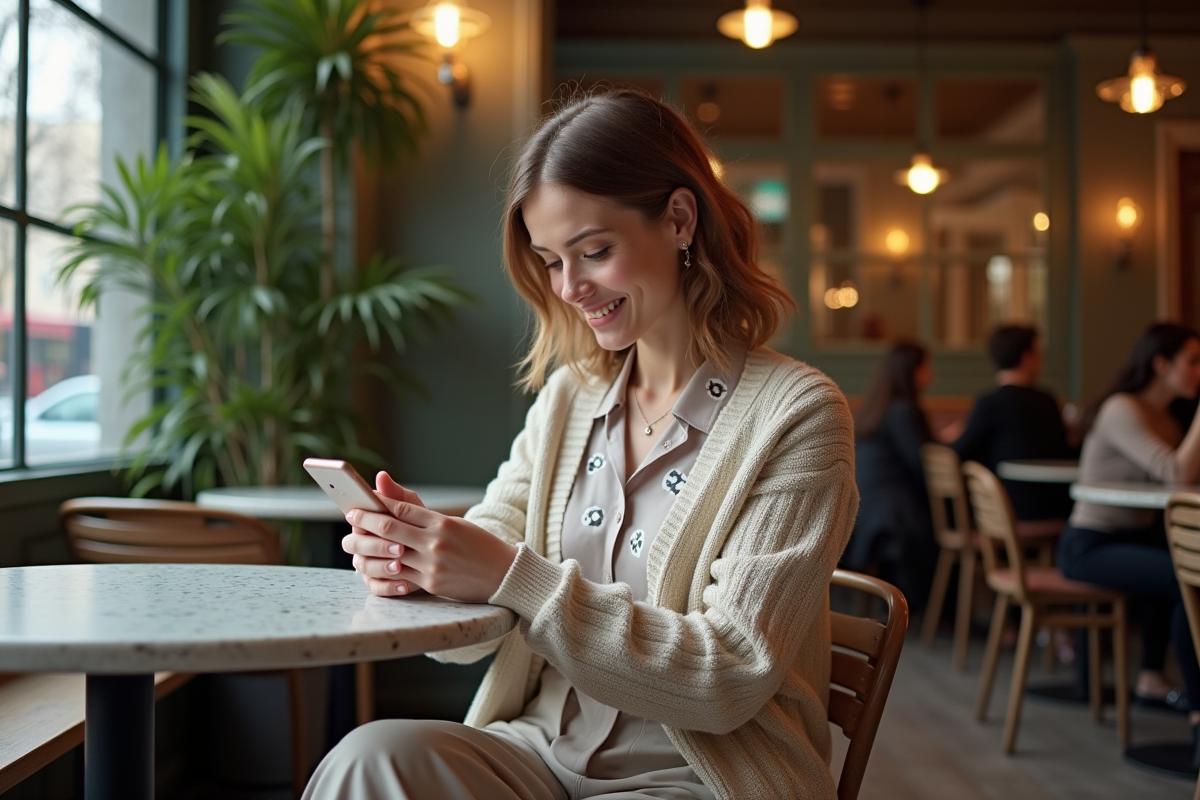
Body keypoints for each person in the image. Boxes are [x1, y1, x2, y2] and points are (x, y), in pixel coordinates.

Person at [303, 90, 858, 799]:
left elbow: (728, 676)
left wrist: (510, 575)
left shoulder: (798, 415)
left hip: (698, 776)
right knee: (368, 758)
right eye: (550, 261)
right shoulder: (570, 398)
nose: (570, 287)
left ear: (680, 220)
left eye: (594, 251)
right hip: (539, 751)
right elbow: (479, 619)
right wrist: (423, 565)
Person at [1059, 322, 1200, 748]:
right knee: (1187, 581)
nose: (1199, 370)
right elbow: (1177, 474)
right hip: (1091, 544)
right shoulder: (1123, 408)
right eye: (1193, 361)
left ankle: (1152, 679)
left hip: (1136, 539)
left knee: (1179, 567)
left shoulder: (1165, 416)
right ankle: (1197, 716)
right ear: (1161, 365)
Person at [843, 341, 938, 612]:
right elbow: (924, 464)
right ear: (912, 371)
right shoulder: (902, 411)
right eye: (926, 368)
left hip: (867, 513)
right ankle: (939, 612)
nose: (931, 376)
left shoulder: (877, 409)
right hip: (892, 517)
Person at [952, 325, 1075, 522]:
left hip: (1005, 512)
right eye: (1039, 353)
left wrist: (951, 436)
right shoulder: (1048, 401)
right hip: (1055, 507)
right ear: (1027, 357)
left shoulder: (989, 403)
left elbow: (960, 452)